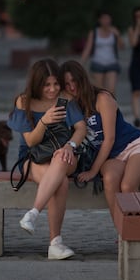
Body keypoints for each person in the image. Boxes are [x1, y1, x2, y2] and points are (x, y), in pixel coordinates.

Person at [59, 60, 140, 230]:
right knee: (110, 179)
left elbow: (109, 139)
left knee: (127, 185)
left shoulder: (102, 98)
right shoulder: (73, 106)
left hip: (135, 146)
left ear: (82, 78)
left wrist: (93, 171)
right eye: (67, 84)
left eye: (74, 81)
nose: (72, 87)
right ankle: (122, 231)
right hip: (112, 156)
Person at [7, 58, 86, 260]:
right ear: (36, 83)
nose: (52, 89)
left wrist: (70, 145)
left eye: (56, 84)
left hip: (65, 154)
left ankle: (33, 213)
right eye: (46, 85)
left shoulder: (64, 99)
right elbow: (31, 141)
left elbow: (81, 128)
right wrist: (44, 120)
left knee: (60, 159)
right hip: (33, 158)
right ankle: (55, 244)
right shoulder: (23, 101)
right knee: (59, 182)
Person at [81, 11, 124, 95]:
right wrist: (81, 63)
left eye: (108, 18)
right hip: (98, 62)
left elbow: (122, 47)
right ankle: (100, 107)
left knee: (111, 90)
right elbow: (88, 48)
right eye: (104, 18)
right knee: (99, 90)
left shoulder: (114, 31)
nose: (106, 21)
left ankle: (112, 107)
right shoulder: (94, 32)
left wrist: (118, 35)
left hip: (112, 63)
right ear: (99, 20)